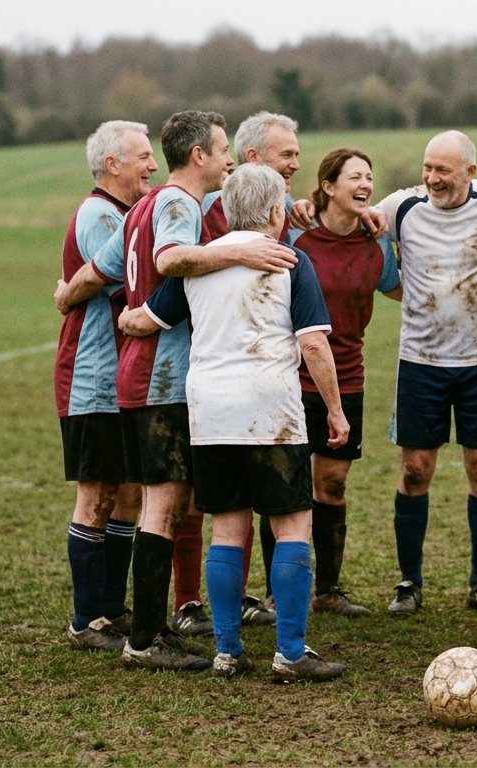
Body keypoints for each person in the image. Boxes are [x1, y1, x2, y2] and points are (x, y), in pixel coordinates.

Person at [53, 109, 295, 670]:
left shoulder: (141, 207)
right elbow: (171, 260)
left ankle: (150, 626)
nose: (230, 157)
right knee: (164, 504)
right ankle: (145, 639)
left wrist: (67, 293)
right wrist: (239, 251)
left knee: (169, 501)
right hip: (162, 376)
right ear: (198, 156)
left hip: (141, 374)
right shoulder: (178, 204)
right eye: (222, 148)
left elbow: (100, 270)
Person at [138, 163, 351, 681]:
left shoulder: (198, 264)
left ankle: (228, 651)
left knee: (227, 528)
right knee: (293, 522)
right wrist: (337, 409)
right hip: (269, 412)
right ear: (277, 211)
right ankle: (291, 652)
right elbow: (314, 343)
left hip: (209, 413)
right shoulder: (290, 261)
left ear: (227, 211)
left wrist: (122, 317)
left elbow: (147, 318)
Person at [370, 131, 477, 615]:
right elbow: (356, 229)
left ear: (470, 173)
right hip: (421, 361)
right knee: (416, 471)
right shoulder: (400, 208)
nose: (432, 178)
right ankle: (409, 582)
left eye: (444, 170)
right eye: (428, 167)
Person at [53, 120, 155, 651]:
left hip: (121, 379)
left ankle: (112, 609)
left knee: (129, 493)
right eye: (142, 156)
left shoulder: (123, 214)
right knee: (95, 495)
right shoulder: (98, 214)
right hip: (92, 379)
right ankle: (86, 620)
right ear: (112, 164)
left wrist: (66, 291)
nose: (152, 165)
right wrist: (72, 290)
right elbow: (120, 281)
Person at [289, 148, 402, 616]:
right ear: (328, 186)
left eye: (369, 178)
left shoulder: (377, 243)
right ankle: (280, 592)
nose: (365, 184)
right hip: (291, 379)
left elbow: (402, 288)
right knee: (289, 488)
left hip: (347, 379)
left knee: (331, 484)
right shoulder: (295, 234)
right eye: (354, 176)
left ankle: (328, 591)